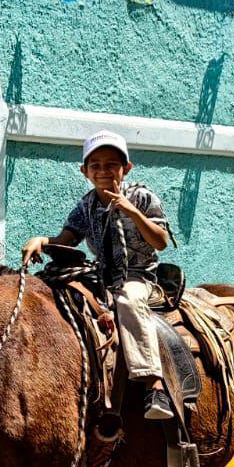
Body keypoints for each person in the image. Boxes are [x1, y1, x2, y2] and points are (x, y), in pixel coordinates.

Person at [22, 130, 174, 421]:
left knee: (129, 300)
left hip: (139, 277)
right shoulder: (86, 205)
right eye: (96, 166)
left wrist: (131, 211)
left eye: (111, 164)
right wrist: (42, 240)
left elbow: (161, 242)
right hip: (102, 277)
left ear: (125, 168)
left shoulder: (142, 197)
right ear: (85, 171)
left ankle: (154, 384)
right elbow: (66, 239)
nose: (103, 171)